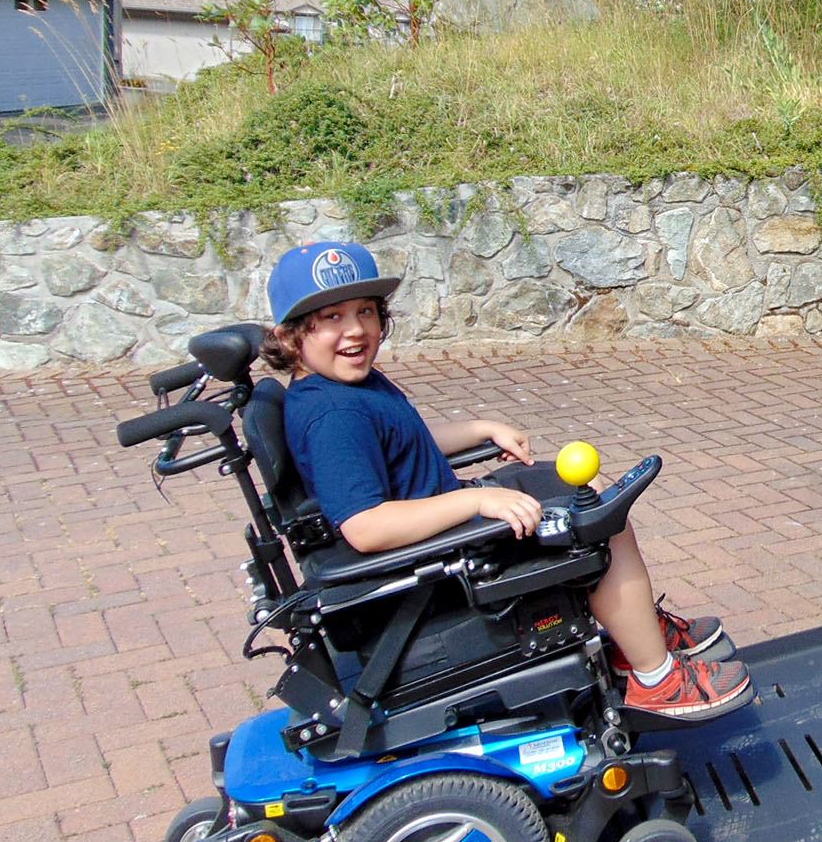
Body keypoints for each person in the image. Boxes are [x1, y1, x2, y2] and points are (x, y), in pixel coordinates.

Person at [263, 240, 751, 722]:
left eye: (366, 312)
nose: (356, 330)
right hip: (434, 569)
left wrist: (478, 429)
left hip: (444, 532)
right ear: (291, 336)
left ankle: (635, 632)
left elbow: (395, 445)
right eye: (332, 318)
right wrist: (481, 499)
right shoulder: (332, 415)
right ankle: (655, 678)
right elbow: (365, 526)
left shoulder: (347, 386)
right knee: (595, 525)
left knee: (574, 491)